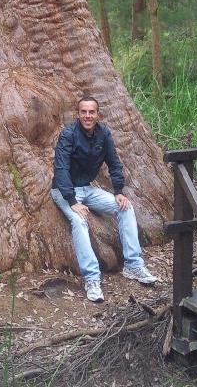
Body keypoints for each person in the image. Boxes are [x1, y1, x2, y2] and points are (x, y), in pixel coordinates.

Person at [51, 95, 158, 302]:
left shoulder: (104, 134)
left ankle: (133, 266)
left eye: (91, 112)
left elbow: (114, 163)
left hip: (89, 189)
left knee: (125, 208)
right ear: (78, 114)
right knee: (79, 220)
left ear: (97, 114)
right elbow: (61, 168)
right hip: (64, 191)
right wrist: (72, 202)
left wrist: (118, 191)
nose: (88, 116)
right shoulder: (68, 134)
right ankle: (91, 278)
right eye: (84, 112)